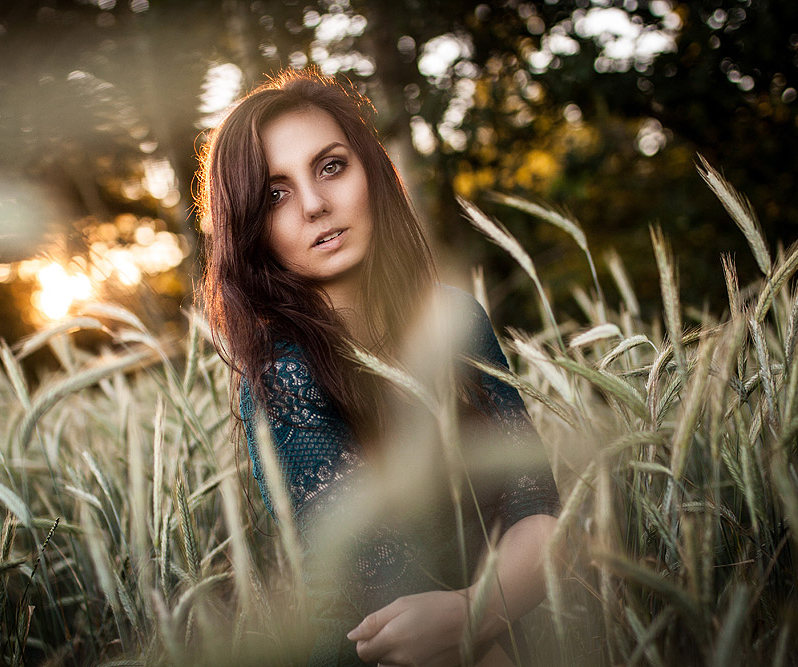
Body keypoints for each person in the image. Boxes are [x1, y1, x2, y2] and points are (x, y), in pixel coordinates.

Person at [197, 68, 560, 667]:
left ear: (371, 171)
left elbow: (538, 510)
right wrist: (484, 615)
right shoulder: (281, 377)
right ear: (251, 227)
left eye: (331, 166)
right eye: (275, 194)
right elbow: (394, 606)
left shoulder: (455, 321)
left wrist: (475, 611)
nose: (315, 205)